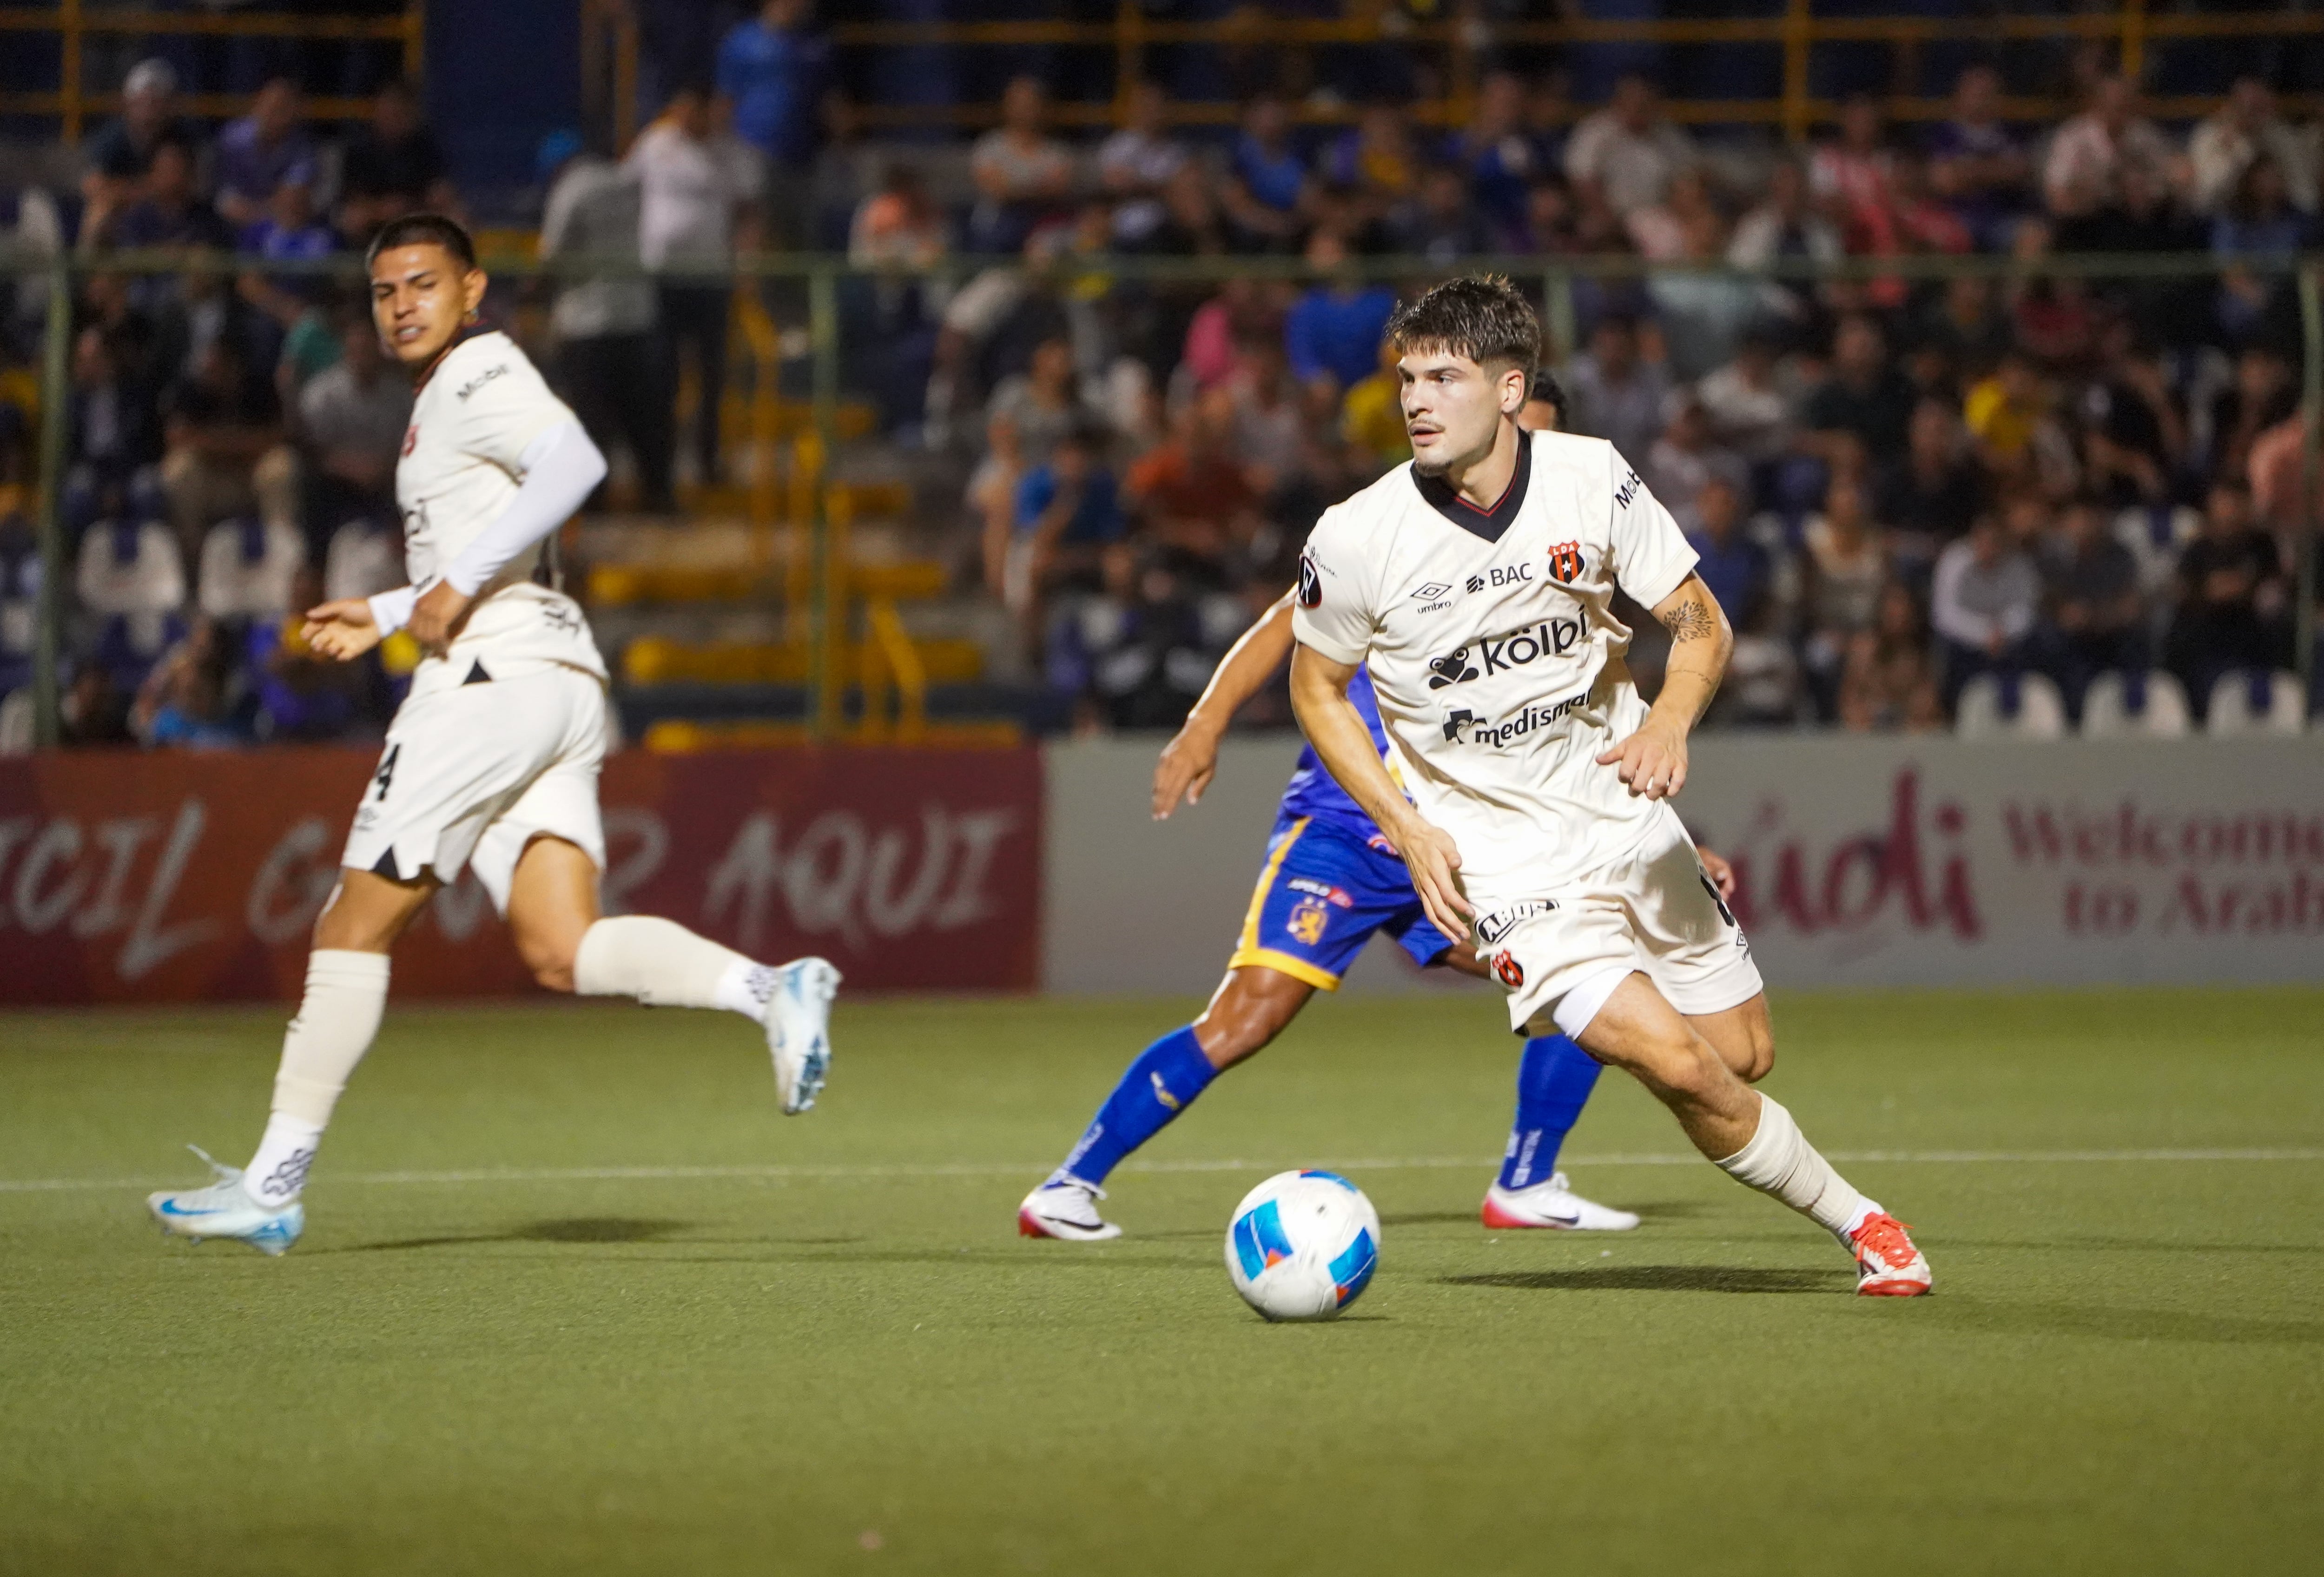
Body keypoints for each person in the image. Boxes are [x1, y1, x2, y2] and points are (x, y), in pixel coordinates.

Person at [145, 215, 841, 1256]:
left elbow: (575, 464)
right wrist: (385, 612)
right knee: (563, 950)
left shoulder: (477, 370)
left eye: (423, 283)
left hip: (487, 679)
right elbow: (499, 541)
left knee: (352, 927)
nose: (402, 306)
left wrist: (452, 590)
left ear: (472, 289)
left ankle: (273, 1183)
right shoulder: (446, 400)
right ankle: (769, 989)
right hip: (554, 675)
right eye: (385, 293)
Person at [1285, 276, 1931, 1296]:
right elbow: (1314, 688)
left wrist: (1669, 724)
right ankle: (1867, 1226)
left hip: (1624, 817)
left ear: (1508, 390)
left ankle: (1637, 961)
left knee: (1741, 1055)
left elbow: (1700, 621)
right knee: (1674, 1064)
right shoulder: (1357, 534)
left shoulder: (1591, 478)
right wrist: (1404, 824)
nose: (1415, 399)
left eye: (1442, 377)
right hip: (1501, 862)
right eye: (1407, 377)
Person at [1020, 381, 1656, 1242]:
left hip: (1452, 844)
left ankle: (1527, 1181)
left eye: (1540, 441)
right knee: (1246, 1019)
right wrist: (1204, 723)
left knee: (1587, 968)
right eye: (1515, 430)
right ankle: (1069, 1184)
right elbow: (1286, 625)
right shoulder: (1394, 530)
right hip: (1349, 832)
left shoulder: (1556, 569)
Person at [628, 83, 763, 487]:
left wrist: (748, 267)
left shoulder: (733, 155)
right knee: (661, 379)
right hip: (661, 280)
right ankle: (661, 472)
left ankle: (709, 465)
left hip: (712, 281)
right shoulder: (655, 144)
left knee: (712, 378)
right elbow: (626, 189)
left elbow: (750, 213)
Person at [539, 130, 673, 512]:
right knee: (647, 417)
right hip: (638, 315)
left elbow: (553, 256)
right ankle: (659, 497)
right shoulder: (626, 183)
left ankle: (595, 504)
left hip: (587, 322)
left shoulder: (569, 191)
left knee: (593, 419)